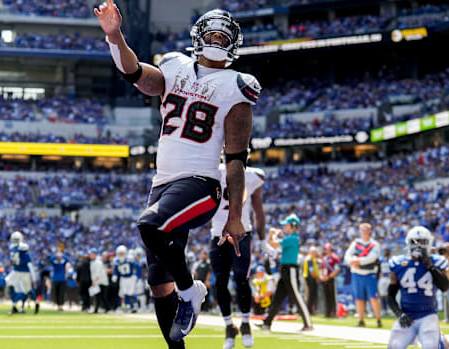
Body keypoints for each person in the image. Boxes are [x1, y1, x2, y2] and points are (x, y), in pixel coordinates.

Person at [95, 2, 258, 347]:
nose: (215, 39)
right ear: (199, 38)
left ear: (232, 44)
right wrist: (114, 36)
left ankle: (191, 290)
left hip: (201, 183)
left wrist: (235, 215)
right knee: (157, 280)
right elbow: (135, 74)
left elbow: (236, 157)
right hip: (163, 183)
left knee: (149, 225)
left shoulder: (237, 85)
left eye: (221, 36)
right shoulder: (175, 65)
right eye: (211, 34)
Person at [209, 162, 269, 349]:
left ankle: (245, 323)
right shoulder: (212, 171)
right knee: (219, 281)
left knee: (242, 277)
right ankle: (229, 326)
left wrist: (262, 239)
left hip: (242, 234)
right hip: (218, 233)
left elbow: (258, 211)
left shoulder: (252, 176)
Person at [387, 226, 449, 349]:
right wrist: (399, 314)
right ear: (408, 243)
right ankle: (440, 338)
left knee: (431, 346)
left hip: (428, 314)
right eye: (415, 242)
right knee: (394, 346)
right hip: (407, 315)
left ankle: (441, 340)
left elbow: (444, 287)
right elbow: (390, 295)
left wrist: (429, 265)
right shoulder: (398, 263)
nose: (418, 246)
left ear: (429, 243)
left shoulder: (437, 261)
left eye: (422, 242)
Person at [260, 214, 313, 331]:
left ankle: (308, 324)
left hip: (291, 269)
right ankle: (267, 323)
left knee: (297, 296)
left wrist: (272, 234)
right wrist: (272, 235)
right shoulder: (290, 238)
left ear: (293, 226)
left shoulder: (293, 238)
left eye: (287, 225)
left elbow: (273, 243)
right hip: (284, 269)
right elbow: (271, 243)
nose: (284, 227)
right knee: (278, 298)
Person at [344, 223, 382, 328]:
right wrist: (352, 261)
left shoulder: (375, 244)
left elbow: (372, 257)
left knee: (373, 297)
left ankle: (378, 319)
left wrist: (358, 261)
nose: (364, 232)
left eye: (366, 230)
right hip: (357, 273)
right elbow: (347, 255)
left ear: (370, 231)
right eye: (362, 230)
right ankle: (361, 319)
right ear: (360, 231)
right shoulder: (355, 243)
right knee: (359, 298)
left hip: (370, 274)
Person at [6, 231, 39, 315]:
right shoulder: (12, 247)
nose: (15, 241)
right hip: (16, 271)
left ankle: (36, 302)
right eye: (14, 239)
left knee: (27, 290)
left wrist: (33, 276)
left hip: (24, 272)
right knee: (9, 283)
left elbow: (29, 262)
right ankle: (14, 306)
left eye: (17, 239)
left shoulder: (23, 248)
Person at [113, 245, 138, 312]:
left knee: (131, 292)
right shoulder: (117, 260)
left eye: (122, 253)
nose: (121, 254)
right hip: (123, 278)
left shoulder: (129, 259)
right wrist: (115, 275)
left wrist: (135, 275)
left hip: (130, 278)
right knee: (123, 293)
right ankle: (124, 305)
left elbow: (135, 266)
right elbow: (116, 269)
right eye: (120, 253)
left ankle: (132, 305)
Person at [320, 243, 340, 318]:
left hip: (331, 278)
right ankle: (327, 312)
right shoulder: (324, 258)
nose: (326, 250)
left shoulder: (335, 258)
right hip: (325, 279)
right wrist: (322, 276)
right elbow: (321, 268)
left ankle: (334, 312)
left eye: (327, 249)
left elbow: (337, 269)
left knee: (332, 296)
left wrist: (329, 276)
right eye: (325, 249)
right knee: (326, 296)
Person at [90, 249, 110, 313]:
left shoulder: (98, 262)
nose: (90, 255)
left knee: (102, 296)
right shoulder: (93, 262)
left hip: (102, 282)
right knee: (98, 296)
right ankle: (97, 309)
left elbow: (97, 273)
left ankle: (107, 308)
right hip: (98, 282)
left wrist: (95, 281)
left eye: (92, 254)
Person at [303, 247, 320, 315]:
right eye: (314, 252)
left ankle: (310, 310)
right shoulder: (309, 259)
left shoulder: (313, 259)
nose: (315, 253)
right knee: (310, 295)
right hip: (309, 279)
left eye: (316, 252)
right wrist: (316, 278)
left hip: (311, 278)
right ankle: (308, 310)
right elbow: (311, 270)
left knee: (311, 295)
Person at [378, 248, 392, 316]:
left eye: (387, 250)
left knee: (390, 294)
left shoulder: (392, 259)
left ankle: (392, 310)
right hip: (382, 278)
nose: (386, 252)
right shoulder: (381, 260)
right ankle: (384, 309)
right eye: (385, 250)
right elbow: (377, 268)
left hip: (389, 278)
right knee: (382, 295)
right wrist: (379, 273)